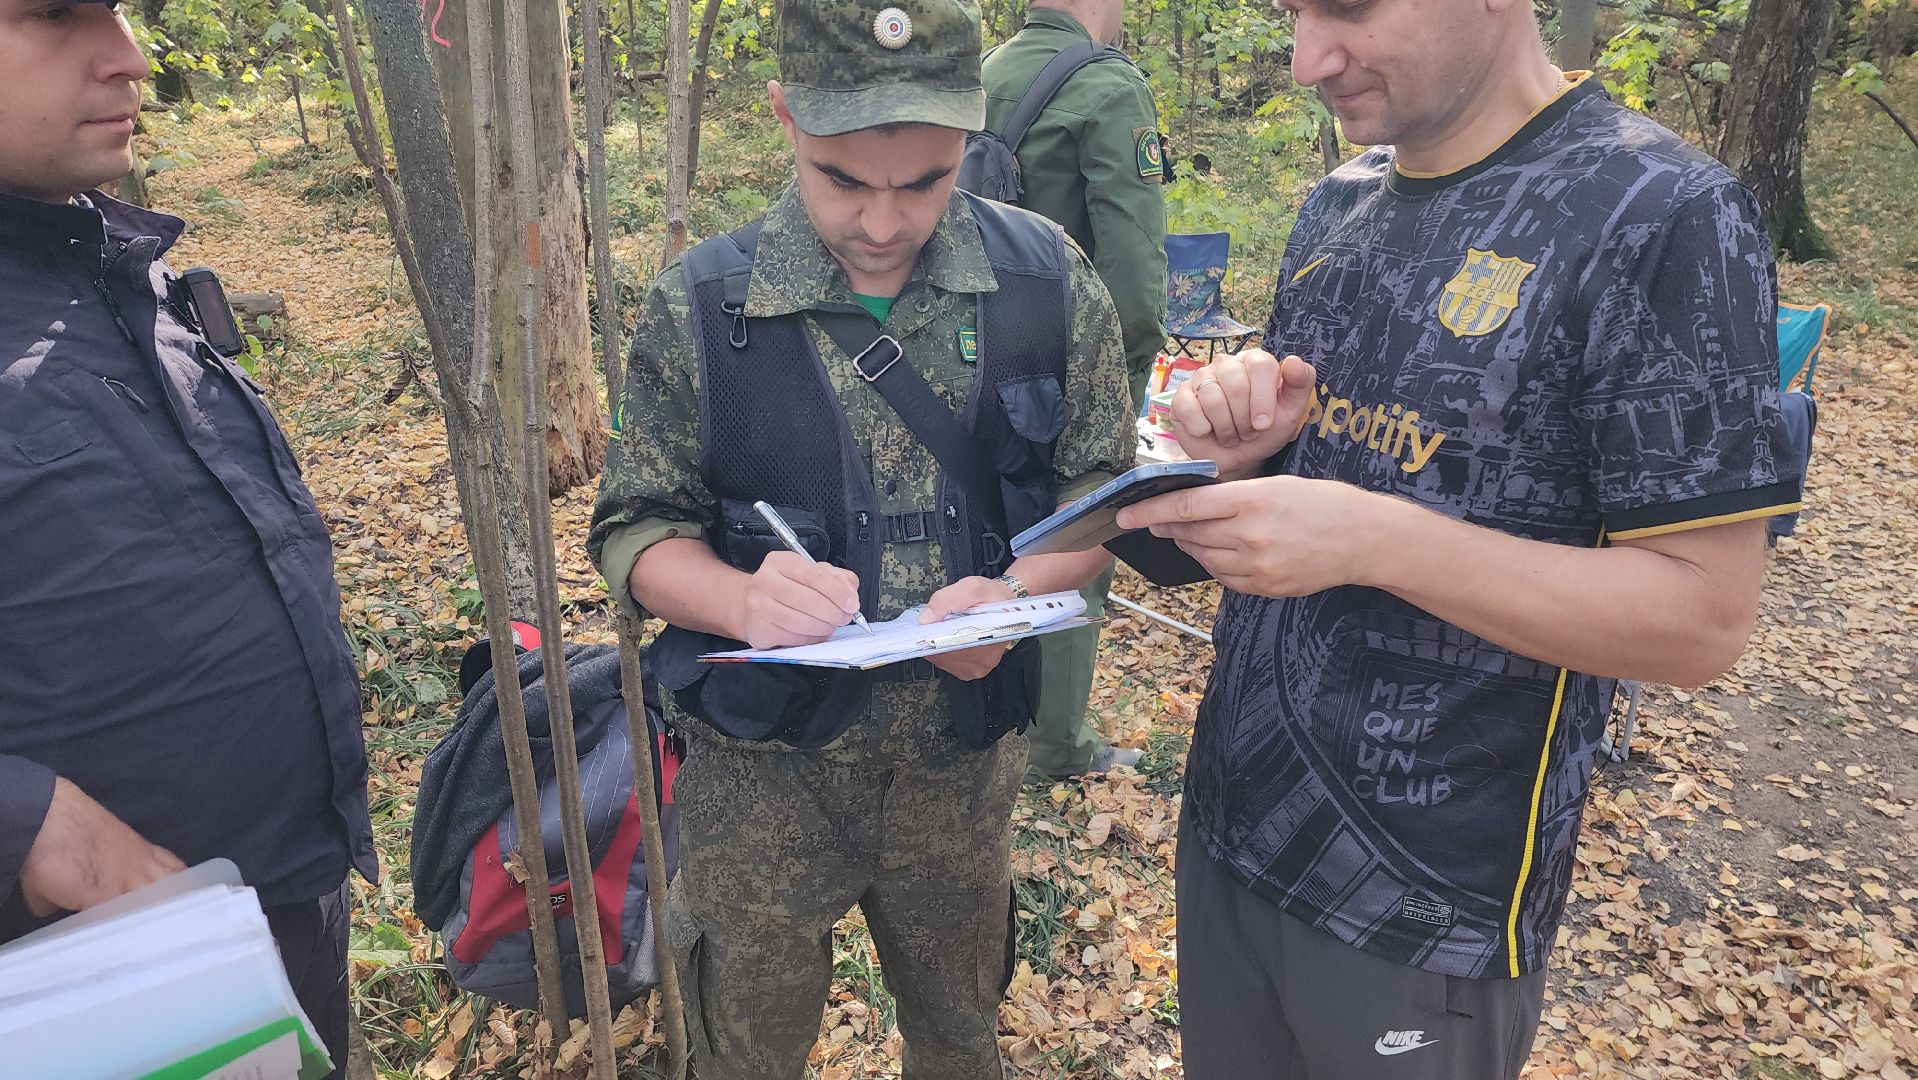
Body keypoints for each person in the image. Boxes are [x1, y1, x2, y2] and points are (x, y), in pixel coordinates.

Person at [1114, 0, 1799, 1076]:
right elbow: (1326, 488)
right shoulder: (1339, 203)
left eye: (1343, 9)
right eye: (1290, 14)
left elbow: (1699, 621)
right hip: (1230, 837)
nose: (1304, 60)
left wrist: (1377, 540)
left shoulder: (1663, 213)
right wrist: (1240, 447)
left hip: (1421, 909)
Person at [585, 0, 1137, 1074]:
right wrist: (739, 600)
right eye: (845, 180)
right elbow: (637, 525)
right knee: (741, 1045)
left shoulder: (1045, 280)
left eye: (925, 181)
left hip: (959, 774)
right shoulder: (703, 304)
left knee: (960, 1031)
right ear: (787, 116)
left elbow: (1101, 491)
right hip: (761, 780)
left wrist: (1016, 596)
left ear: (969, 137)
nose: (882, 222)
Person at [0, 1, 376, 1074]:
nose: (129, 57)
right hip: (71, 990)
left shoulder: (109, 264)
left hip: (255, 923)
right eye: (56, 14)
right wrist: (20, 817)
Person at [983, 0, 1168, 780]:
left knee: (999, 536)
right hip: (1072, 364)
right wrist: (1130, 381)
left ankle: (990, 710)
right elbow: (1132, 271)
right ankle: (1056, 743)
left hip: (981, 353)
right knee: (1077, 538)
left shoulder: (985, 72)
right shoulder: (1108, 86)